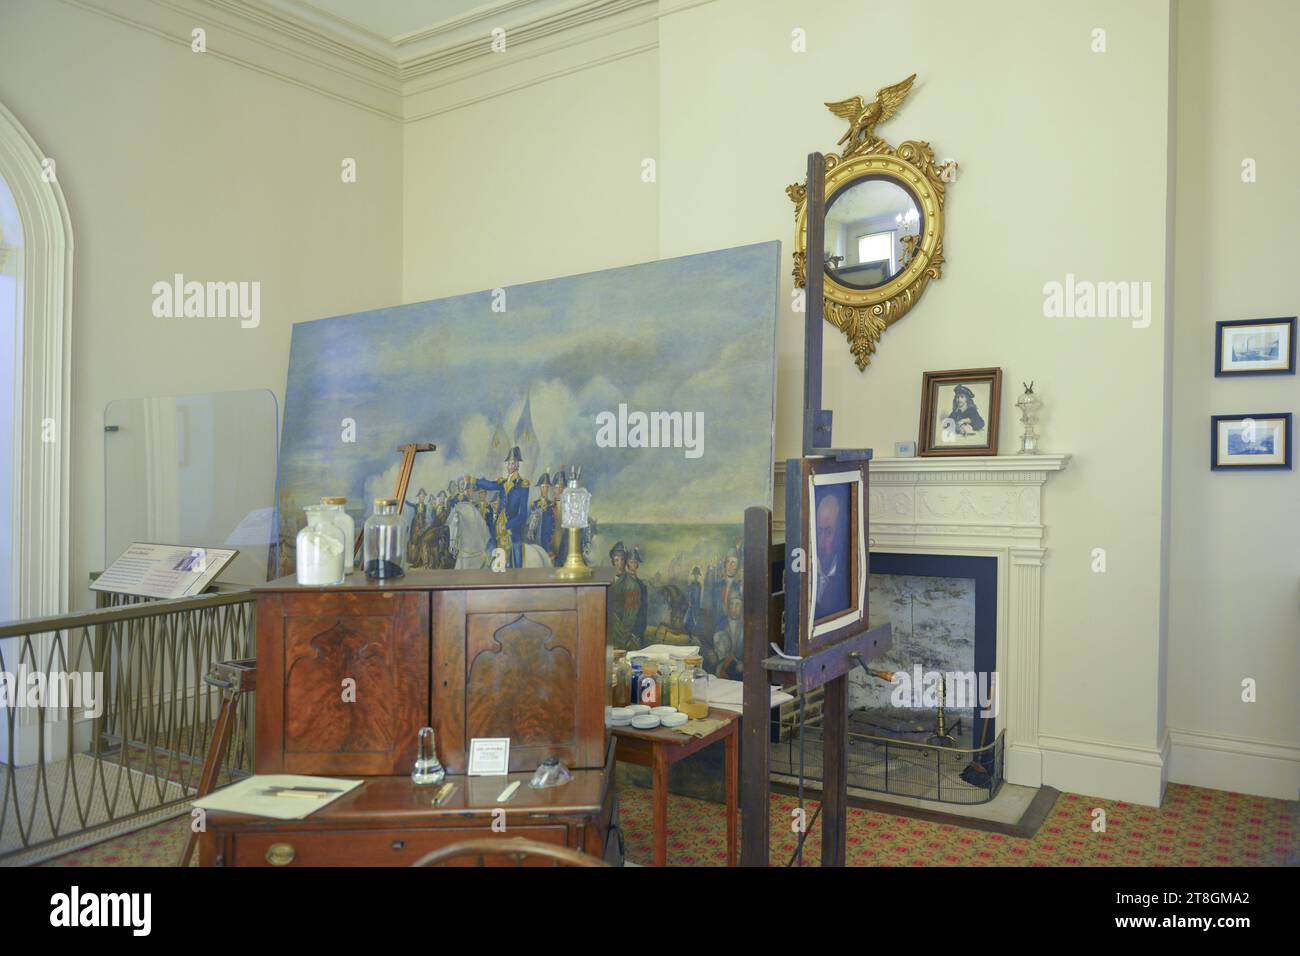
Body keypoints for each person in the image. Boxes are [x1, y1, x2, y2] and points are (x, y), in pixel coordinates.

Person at [476, 447, 530, 568]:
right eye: (509, 463)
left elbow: (523, 515)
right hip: (498, 528)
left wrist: (508, 526)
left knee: (517, 555)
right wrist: (475, 481)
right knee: (488, 550)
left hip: (513, 530)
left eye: (512, 463)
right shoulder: (503, 483)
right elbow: (490, 485)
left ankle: (519, 577)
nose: (510, 466)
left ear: (517, 465)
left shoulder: (523, 485)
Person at [814, 490, 850, 618]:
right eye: (819, 532)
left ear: (839, 534)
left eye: (829, 533)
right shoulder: (804, 567)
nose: (821, 542)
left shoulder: (846, 572)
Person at [608, 541, 641, 651]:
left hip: (620, 637)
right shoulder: (606, 580)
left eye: (622, 560)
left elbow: (630, 617)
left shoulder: (632, 585)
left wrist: (622, 638)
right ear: (612, 561)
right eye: (616, 560)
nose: (620, 563)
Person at [712, 591, 745, 680]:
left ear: (742, 607)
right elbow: (720, 651)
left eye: (737, 604)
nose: (734, 608)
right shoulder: (721, 624)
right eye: (731, 604)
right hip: (725, 667)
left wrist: (744, 663)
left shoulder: (746, 625)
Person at [627, 545, 649, 644]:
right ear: (627, 563)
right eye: (631, 562)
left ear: (637, 565)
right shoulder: (623, 583)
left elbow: (644, 609)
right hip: (627, 625)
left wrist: (640, 629)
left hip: (639, 624)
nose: (633, 565)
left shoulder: (641, 585)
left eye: (635, 562)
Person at [684, 566, 703, 636]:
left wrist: (697, 605)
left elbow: (698, 597)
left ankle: (692, 634)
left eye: (697, 574)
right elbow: (689, 594)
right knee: (686, 621)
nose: (696, 576)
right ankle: (689, 633)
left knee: (696, 621)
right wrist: (689, 603)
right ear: (693, 575)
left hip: (696, 606)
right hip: (690, 605)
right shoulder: (691, 584)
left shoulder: (699, 585)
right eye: (695, 574)